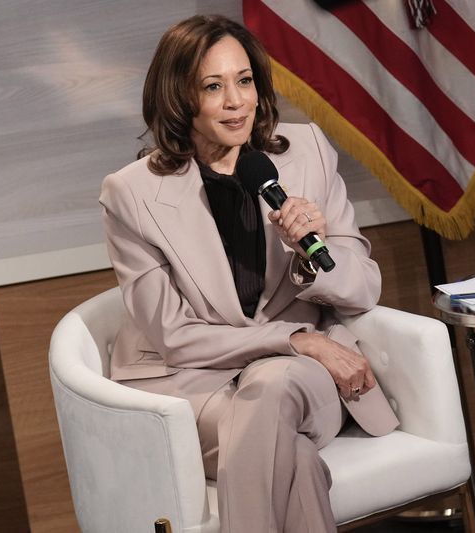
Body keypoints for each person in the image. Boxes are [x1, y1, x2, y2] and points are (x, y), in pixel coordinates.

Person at [99, 14, 399, 533]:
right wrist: (297, 339)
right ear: (179, 99)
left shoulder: (306, 151)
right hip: (196, 387)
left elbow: (363, 285)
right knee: (295, 463)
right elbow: (175, 336)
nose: (237, 101)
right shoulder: (132, 193)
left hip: (305, 383)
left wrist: (311, 253)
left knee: (274, 386)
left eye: (244, 81)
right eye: (213, 87)